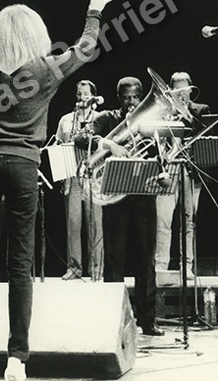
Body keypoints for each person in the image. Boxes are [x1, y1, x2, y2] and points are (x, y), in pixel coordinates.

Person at [0, 0, 114, 381]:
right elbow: (85, 47)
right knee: (19, 264)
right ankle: (17, 357)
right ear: (36, 35)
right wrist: (94, 11)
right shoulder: (46, 70)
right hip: (24, 165)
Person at [74, 76, 164, 337]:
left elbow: (159, 150)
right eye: (127, 98)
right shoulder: (107, 118)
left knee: (146, 260)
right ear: (119, 98)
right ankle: (113, 319)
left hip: (143, 194)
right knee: (114, 260)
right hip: (115, 196)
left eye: (137, 97)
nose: (133, 102)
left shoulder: (150, 121)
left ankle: (148, 321)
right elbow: (81, 137)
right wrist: (109, 143)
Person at [155, 72, 209, 277]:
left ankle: (187, 266)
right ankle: (161, 266)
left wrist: (186, 116)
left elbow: (204, 134)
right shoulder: (162, 113)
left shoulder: (200, 110)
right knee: (163, 220)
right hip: (168, 169)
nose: (182, 95)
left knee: (189, 220)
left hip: (190, 170)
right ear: (170, 92)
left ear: (190, 90)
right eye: (177, 91)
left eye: (185, 90)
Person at [55, 79, 103, 281]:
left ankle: (96, 269)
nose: (82, 97)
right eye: (79, 94)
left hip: (93, 177)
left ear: (92, 95)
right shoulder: (66, 120)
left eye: (86, 93)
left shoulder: (100, 117)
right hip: (73, 176)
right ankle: (74, 268)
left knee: (95, 224)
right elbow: (58, 144)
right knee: (73, 224)